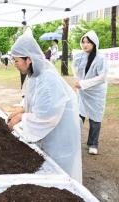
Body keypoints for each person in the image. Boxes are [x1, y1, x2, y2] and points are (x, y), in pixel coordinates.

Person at [7, 29, 82, 182]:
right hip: (50, 132)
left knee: (62, 174)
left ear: (28, 59)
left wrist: (22, 117)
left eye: (16, 60)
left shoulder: (47, 78)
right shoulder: (35, 72)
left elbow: (48, 116)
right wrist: (23, 107)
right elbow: (33, 96)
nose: (15, 64)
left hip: (61, 134)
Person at [72, 30, 108, 155]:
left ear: (94, 43)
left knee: (95, 117)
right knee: (78, 115)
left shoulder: (101, 58)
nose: (85, 45)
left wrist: (83, 83)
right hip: (82, 92)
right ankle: (74, 140)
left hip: (96, 92)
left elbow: (102, 77)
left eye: (88, 42)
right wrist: (77, 80)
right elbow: (74, 68)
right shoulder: (79, 55)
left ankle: (93, 143)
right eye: (83, 42)